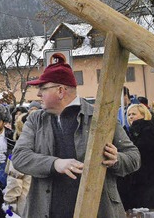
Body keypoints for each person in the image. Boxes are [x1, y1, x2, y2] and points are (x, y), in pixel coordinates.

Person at [11, 62, 140, 218]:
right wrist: (55, 163)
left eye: (43, 88)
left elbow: (134, 157)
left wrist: (117, 159)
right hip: (47, 211)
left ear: (60, 91)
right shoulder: (35, 120)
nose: (38, 94)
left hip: (98, 211)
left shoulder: (100, 118)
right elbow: (19, 157)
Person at [118, 103, 154, 210]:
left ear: (143, 115)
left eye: (134, 114)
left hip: (144, 183)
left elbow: (138, 152)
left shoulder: (144, 131)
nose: (130, 117)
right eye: (129, 115)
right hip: (149, 183)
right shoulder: (147, 130)